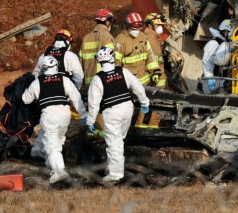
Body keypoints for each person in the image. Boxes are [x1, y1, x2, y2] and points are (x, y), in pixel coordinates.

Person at [86, 46, 150, 183]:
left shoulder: (98, 79)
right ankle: (112, 169)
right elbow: (138, 87)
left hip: (112, 111)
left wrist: (90, 121)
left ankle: (115, 174)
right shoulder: (123, 71)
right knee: (118, 140)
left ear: (99, 61)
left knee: (114, 143)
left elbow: (93, 103)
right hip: (128, 108)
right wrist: (144, 102)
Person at [22, 56, 87, 184]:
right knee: (58, 140)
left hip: (49, 115)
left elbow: (25, 99)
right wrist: (83, 115)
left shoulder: (38, 82)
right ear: (56, 66)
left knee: (52, 145)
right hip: (64, 115)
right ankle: (47, 161)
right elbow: (76, 97)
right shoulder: (64, 79)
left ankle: (59, 171)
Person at [30, 29, 83, 160]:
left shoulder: (43, 56)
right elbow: (78, 77)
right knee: (59, 126)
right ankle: (55, 155)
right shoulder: (70, 56)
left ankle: (38, 149)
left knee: (48, 124)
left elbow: (35, 76)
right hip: (62, 96)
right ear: (68, 42)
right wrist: (73, 90)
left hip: (45, 96)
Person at [114, 12, 160, 86]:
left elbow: (150, 57)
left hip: (145, 83)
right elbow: (116, 64)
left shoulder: (143, 37)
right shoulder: (120, 41)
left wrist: (155, 72)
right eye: (135, 25)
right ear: (128, 25)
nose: (137, 29)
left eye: (140, 25)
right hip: (129, 85)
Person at [79, 9, 117, 92]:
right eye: (110, 21)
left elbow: (80, 63)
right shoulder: (107, 37)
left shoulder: (86, 38)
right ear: (106, 21)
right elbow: (113, 60)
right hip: (104, 83)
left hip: (89, 85)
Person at [202, 19, 233, 94]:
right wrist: (209, 78)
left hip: (224, 80)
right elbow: (207, 62)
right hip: (213, 80)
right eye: (227, 31)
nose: (228, 34)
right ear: (223, 30)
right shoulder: (214, 43)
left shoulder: (229, 44)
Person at [143, 12, 168, 88]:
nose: (160, 28)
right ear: (150, 25)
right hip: (155, 83)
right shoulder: (150, 39)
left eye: (161, 25)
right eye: (158, 25)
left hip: (158, 80)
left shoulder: (154, 38)